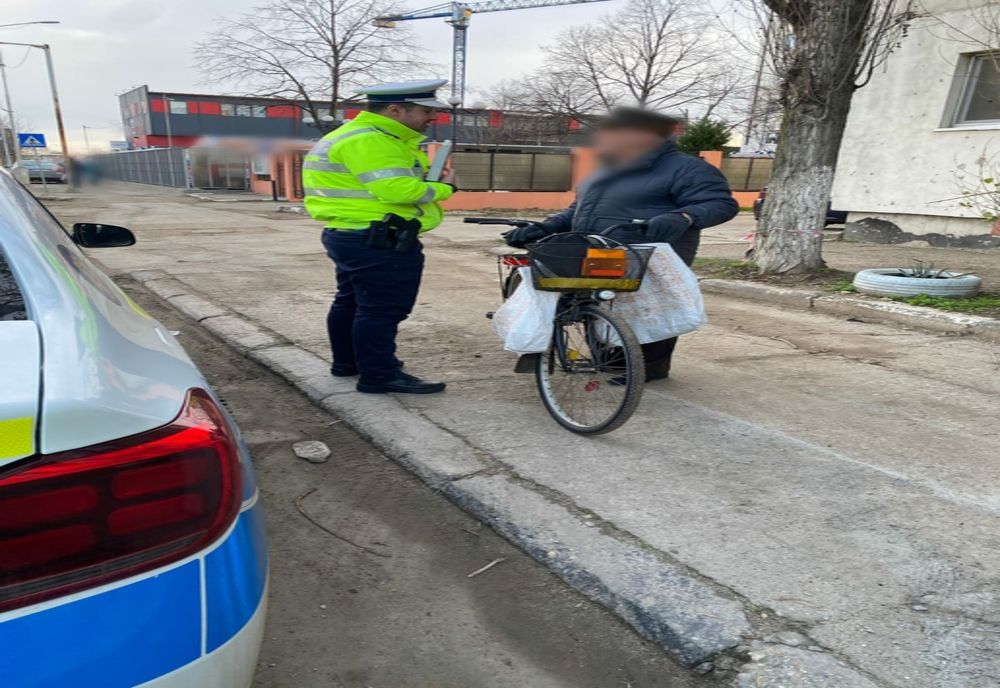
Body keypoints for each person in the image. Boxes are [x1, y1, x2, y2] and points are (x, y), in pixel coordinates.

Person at [504, 106, 738, 381]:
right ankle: (612, 360)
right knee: (592, 301)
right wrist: (545, 226)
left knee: (647, 309)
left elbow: (720, 203)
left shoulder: (687, 168)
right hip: (595, 247)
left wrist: (684, 216)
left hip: (650, 251)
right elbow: (577, 209)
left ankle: (650, 368)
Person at [303, 80, 456, 394]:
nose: (432, 117)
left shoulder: (355, 136)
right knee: (382, 310)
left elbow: (387, 183)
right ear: (395, 110)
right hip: (378, 238)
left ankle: (349, 363)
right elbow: (398, 190)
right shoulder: (375, 141)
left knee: (351, 302)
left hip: (352, 233)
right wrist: (447, 188)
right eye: (426, 110)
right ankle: (379, 374)